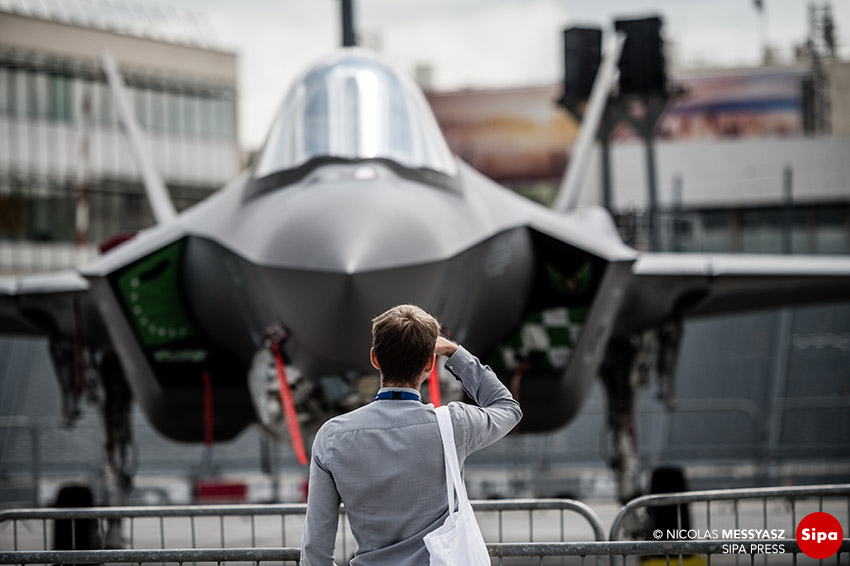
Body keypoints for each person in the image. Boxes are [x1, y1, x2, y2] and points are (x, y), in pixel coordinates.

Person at [301, 304, 522, 566]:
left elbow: (316, 551)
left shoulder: (332, 437)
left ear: (375, 358)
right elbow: (508, 408)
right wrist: (454, 352)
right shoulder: (453, 425)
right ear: (429, 363)